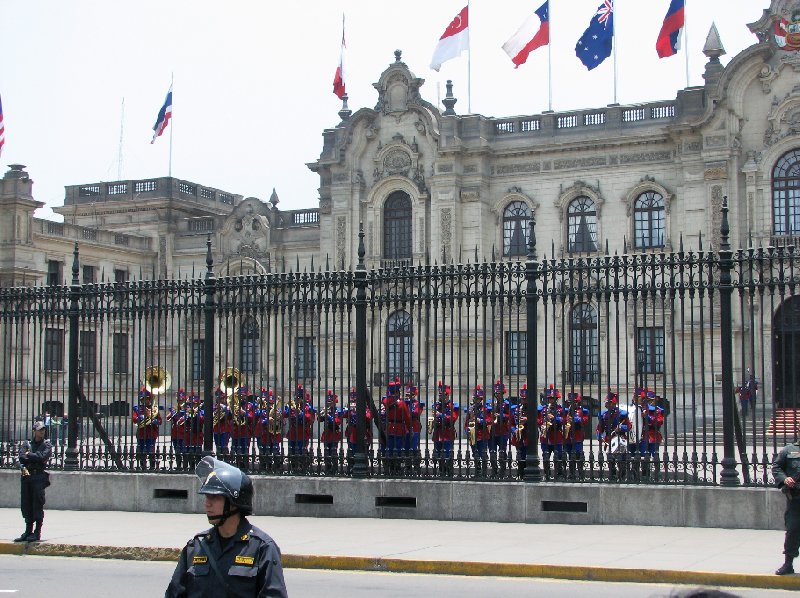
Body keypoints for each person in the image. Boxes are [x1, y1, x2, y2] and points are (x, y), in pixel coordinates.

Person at [165, 456, 288, 597]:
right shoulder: (196, 547)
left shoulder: (262, 548)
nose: (207, 503)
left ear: (234, 503)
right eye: (207, 497)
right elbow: (174, 593)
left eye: (215, 497)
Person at [14, 420, 52, 543]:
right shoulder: (27, 443)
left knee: (37, 504)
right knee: (26, 504)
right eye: (40, 429)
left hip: (38, 477)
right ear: (34, 431)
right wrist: (32, 456)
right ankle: (28, 531)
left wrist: (29, 454)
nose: (42, 432)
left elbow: (42, 457)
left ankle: (37, 532)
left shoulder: (46, 444)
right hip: (26, 476)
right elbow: (21, 457)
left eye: (43, 430)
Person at [772, 439, 800, 576]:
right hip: (796, 499)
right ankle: (788, 564)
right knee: (792, 530)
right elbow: (776, 467)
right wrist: (784, 479)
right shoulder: (788, 450)